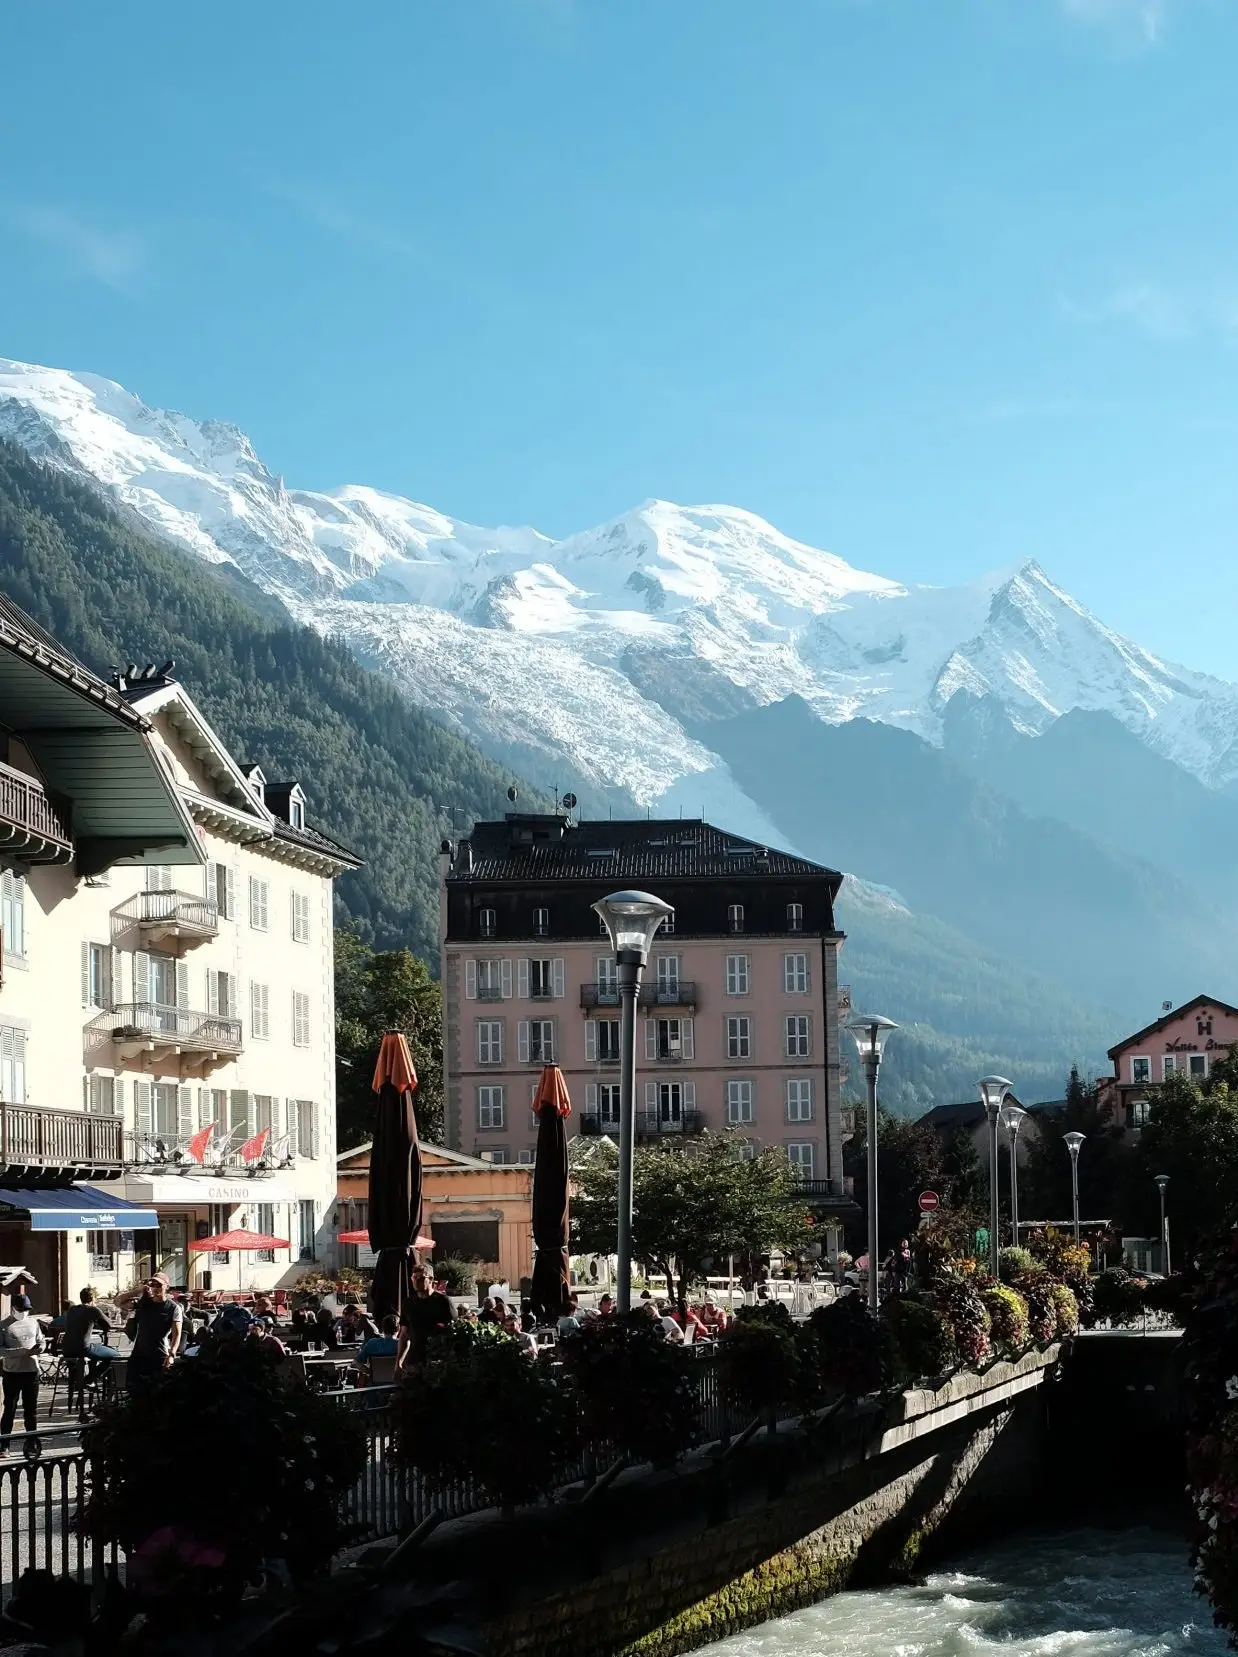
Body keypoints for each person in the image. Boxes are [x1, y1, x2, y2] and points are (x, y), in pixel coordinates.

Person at [61, 1288, 118, 1411]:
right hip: (83, 1348)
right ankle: (88, 1380)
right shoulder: (93, 1310)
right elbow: (109, 1324)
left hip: (66, 1348)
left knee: (94, 1353)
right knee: (115, 1355)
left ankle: (81, 1381)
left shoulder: (72, 1310)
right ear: (92, 1299)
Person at [0, 1295, 44, 1449]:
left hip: (32, 1371)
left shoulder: (33, 1322)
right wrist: (21, 1351)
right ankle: (4, 1445)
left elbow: (41, 1339)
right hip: (12, 1372)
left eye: (26, 1309)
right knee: (9, 1409)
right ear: (14, 1308)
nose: (24, 1312)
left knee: (31, 1410)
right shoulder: (4, 1325)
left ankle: (32, 1442)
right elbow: (1, 1350)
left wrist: (41, 1347)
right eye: (21, 1309)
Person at [125, 1274, 183, 1391]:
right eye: (152, 1284)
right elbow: (118, 1301)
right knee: (135, 1391)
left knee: (156, 1391)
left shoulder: (173, 1308)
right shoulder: (144, 1304)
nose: (155, 1287)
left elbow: (177, 1334)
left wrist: (171, 1354)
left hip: (159, 1355)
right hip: (139, 1355)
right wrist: (139, 1290)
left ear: (166, 1286)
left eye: (159, 1285)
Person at [397, 1267, 454, 1369]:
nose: (417, 1281)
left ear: (431, 1280)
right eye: (414, 1278)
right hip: (415, 1360)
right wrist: (398, 1364)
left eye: (421, 1278)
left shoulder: (443, 1301)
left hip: (438, 1360)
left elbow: (453, 1331)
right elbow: (404, 1334)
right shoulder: (408, 1303)